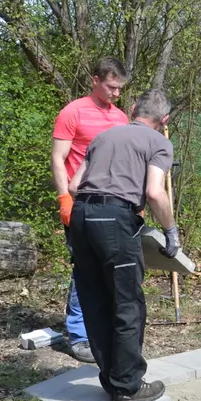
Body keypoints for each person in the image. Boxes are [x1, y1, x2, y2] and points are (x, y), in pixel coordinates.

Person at [68, 89, 179, 401]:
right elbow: (154, 192)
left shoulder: (103, 137)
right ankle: (128, 388)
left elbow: (74, 185)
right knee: (127, 304)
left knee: (95, 300)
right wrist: (170, 231)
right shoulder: (158, 143)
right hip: (114, 219)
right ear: (164, 120)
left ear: (132, 109)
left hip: (81, 216)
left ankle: (112, 380)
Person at [51, 58, 130, 363]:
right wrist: (64, 199)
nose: (116, 94)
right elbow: (58, 159)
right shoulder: (73, 112)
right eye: (111, 87)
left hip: (114, 207)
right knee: (84, 269)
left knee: (111, 268)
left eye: (120, 89)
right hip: (81, 205)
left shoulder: (121, 118)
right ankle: (80, 335)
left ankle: (103, 329)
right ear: (95, 80)